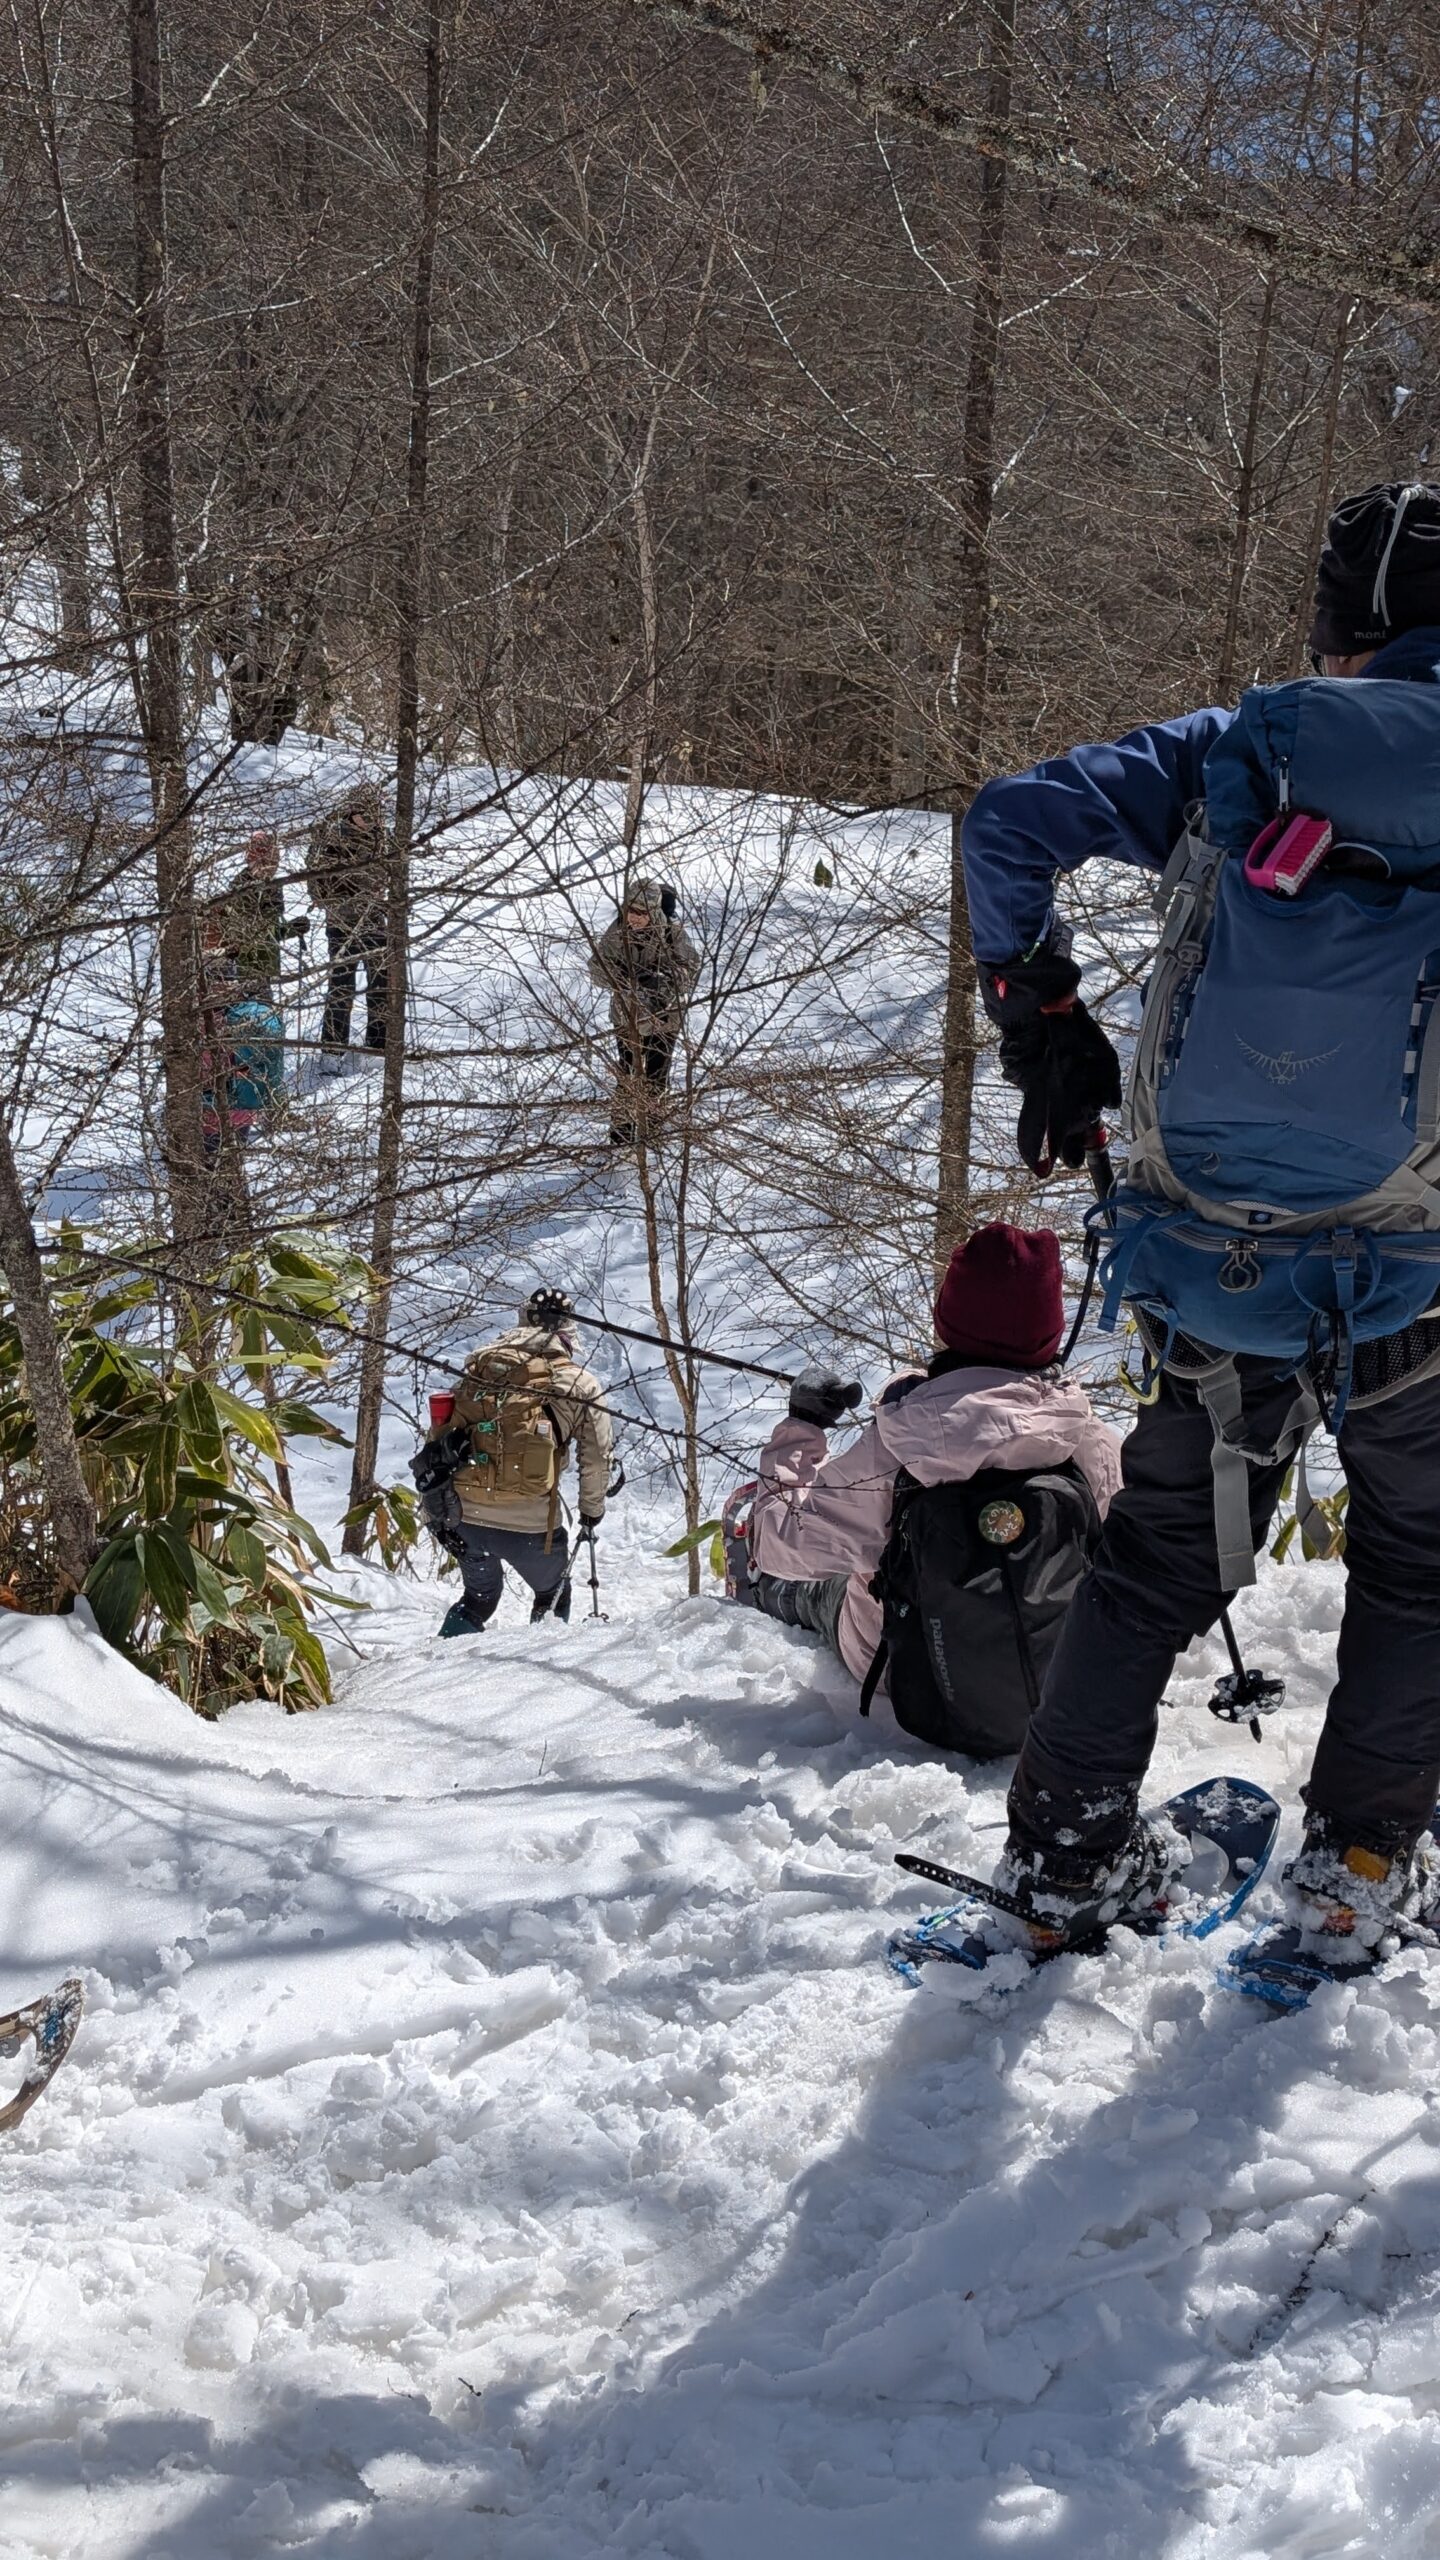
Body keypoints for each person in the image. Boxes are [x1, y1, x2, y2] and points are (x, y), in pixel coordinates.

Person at [961, 478, 1440, 1953]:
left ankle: (1064, 1857)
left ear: (1337, 626)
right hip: (1423, 1270)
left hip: (1213, 1252)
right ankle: (1361, 1869)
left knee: (1159, 1554)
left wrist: (1039, 1011)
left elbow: (1008, 823)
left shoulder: (1234, 751)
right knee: (1424, 1568)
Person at [743, 1224, 1121, 1755]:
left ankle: (761, 1594)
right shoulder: (1089, 1440)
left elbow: (779, 1542)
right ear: (1051, 1332)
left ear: (948, 1322)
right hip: (1062, 1680)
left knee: (822, 1582)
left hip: (906, 1675)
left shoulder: (900, 1443)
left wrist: (802, 1428)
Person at [413, 1287, 614, 1638]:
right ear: (569, 1330)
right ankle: (538, 1654)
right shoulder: (579, 1383)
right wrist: (591, 1511)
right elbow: (596, 1457)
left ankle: (440, 1658)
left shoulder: (480, 1371)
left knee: (479, 1598)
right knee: (552, 1593)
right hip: (532, 1528)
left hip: (464, 1518)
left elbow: (440, 1439)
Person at [588, 877, 700, 1143]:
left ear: (654, 911)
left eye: (642, 913)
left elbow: (691, 969)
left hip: (664, 1019)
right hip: (627, 1017)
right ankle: (622, 1136)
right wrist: (623, 977)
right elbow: (596, 969)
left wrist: (663, 980)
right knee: (627, 1076)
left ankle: (653, 1132)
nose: (634, 918)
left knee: (656, 1077)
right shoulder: (618, 932)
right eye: (631, 910)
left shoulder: (671, 934)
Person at [305, 784, 392, 1069]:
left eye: (375, 813)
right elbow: (317, 885)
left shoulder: (383, 838)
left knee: (381, 985)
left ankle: (378, 1046)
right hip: (342, 923)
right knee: (341, 987)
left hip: (374, 922)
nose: (370, 819)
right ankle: (332, 1050)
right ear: (351, 812)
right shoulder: (333, 839)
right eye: (364, 813)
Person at [198, 910, 284, 1156]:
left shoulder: (243, 1016)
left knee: (220, 1164)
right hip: (222, 1109)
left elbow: (269, 1064)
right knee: (222, 1164)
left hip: (228, 1108)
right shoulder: (244, 1014)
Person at [216, 830, 308, 997]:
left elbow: (272, 933)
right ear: (252, 860)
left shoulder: (273, 887)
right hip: (244, 970)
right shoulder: (240, 888)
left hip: (267, 969)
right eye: (265, 862)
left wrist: (293, 928)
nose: (270, 868)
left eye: (274, 862)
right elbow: (242, 933)